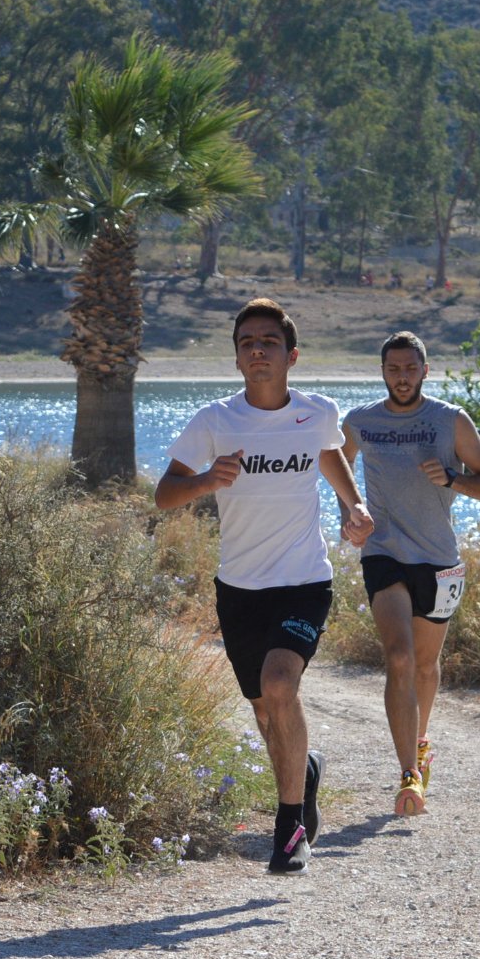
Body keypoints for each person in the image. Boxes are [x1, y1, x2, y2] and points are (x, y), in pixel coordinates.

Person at [155, 298, 373, 874]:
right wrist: (206, 479)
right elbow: (164, 493)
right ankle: (305, 771)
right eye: (247, 341)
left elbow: (329, 456)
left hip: (304, 581)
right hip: (239, 589)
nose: (257, 349)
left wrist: (355, 504)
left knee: (281, 685)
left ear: (290, 355)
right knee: (263, 711)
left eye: (268, 341)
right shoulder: (215, 421)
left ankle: (290, 825)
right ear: (236, 358)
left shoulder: (317, 411)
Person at [340, 331, 480, 817]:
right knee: (399, 657)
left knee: (427, 667)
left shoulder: (450, 420)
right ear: (383, 372)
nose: (402, 376)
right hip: (383, 553)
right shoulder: (360, 422)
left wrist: (453, 479)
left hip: (438, 559)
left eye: (411, 368)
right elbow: (335, 467)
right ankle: (409, 772)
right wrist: (350, 514)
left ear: (425, 370)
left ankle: (421, 742)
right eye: (393, 369)